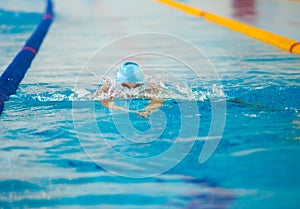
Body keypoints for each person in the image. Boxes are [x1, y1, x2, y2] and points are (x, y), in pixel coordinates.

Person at [96, 62, 165, 118]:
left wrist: (147, 110)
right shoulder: (107, 88)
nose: (131, 91)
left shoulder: (150, 88)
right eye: (125, 86)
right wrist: (123, 110)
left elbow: (158, 101)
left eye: (137, 86)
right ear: (118, 82)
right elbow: (105, 102)